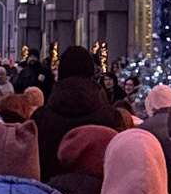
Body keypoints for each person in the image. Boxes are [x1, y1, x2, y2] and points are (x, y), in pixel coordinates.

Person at [35, 42, 123, 178]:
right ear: (91, 71)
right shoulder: (111, 117)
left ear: (61, 71)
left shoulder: (41, 118)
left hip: (50, 193)